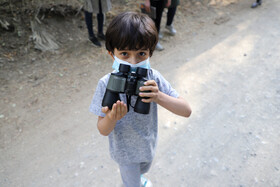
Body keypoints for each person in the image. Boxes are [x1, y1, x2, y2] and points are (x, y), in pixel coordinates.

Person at [89, 12, 191, 187]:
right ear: (112, 55)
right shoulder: (106, 84)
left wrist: (158, 96)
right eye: (124, 54)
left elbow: (186, 110)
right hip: (125, 154)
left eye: (141, 53)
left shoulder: (154, 79)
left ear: (150, 53)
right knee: (131, 183)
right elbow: (103, 130)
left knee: (142, 171)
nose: (134, 61)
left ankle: (137, 179)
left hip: (147, 145)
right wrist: (112, 117)